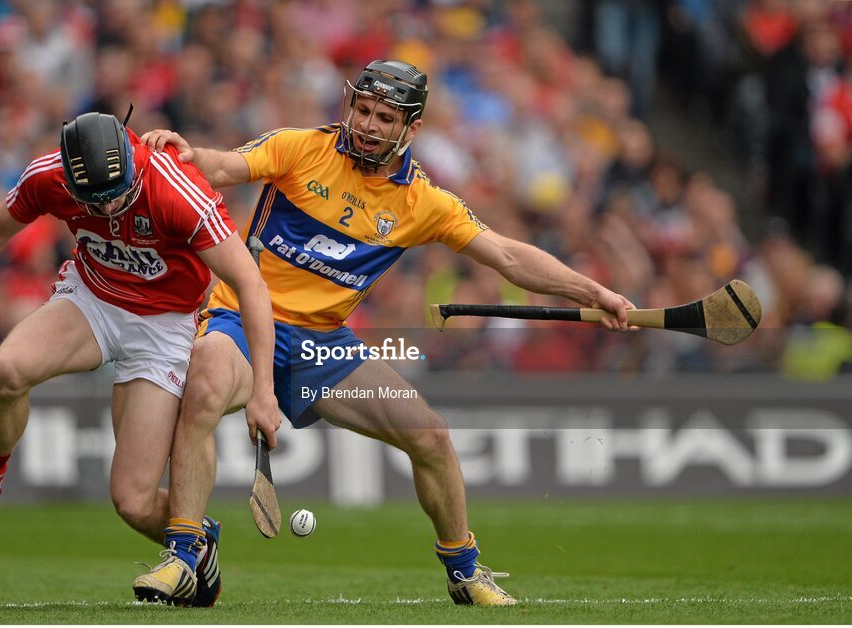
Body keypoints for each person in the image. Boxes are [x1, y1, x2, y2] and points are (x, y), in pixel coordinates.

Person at [139, 59, 634, 607]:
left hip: (318, 344)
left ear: (411, 129)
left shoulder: (422, 202)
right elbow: (223, 165)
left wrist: (593, 293)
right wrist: (187, 154)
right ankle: (184, 557)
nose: (369, 125)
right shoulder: (301, 147)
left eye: (385, 118)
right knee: (206, 380)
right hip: (239, 319)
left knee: (431, 436)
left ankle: (465, 572)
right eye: (363, 110)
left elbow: (509, 256)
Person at [0, 111, 279, 607]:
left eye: (118, 192)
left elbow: (250, 285)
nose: (110, 205)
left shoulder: (177, 188)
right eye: (95, 199)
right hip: (92, 299)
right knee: (6, 370)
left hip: (163, 326)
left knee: (133, 501)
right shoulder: (48, 176)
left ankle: (196, 541)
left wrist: (264, 392)